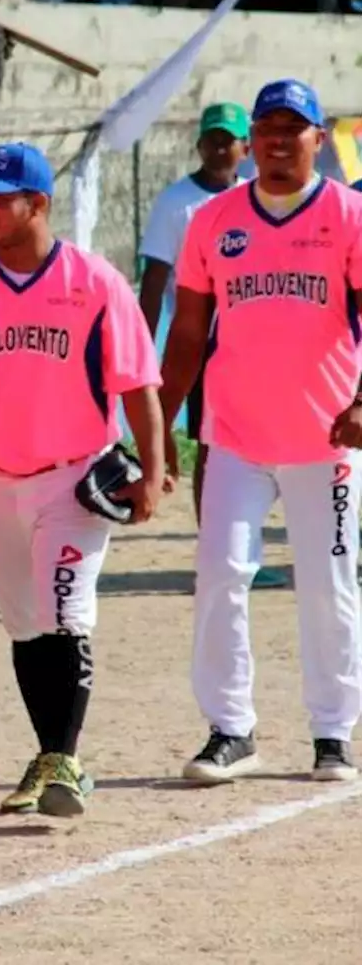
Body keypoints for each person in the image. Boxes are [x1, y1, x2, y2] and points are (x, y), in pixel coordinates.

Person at [159, 78, 363, 784]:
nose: (279, 139)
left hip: (325, 439)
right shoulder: (213, 221)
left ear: (318, 136)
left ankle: (333, 732)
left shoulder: (349, 214)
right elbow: (187, 333)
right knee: (219, 575)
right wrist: (158, 430)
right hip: (236, 438)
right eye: (267, 127)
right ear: (251, 141)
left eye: (293, 127)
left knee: (329, 584)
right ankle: (230, 727)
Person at [0, 143, 165, 815]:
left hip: (72, 477)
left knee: (65, 614)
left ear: (37, 204)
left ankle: (65, 760)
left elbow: (138, 382)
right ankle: (49, 755)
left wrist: (155, 469)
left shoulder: (95, 280)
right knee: (24, 626)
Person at [137, 104, 290, 590]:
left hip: (256, 346)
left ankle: (246, 549)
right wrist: (140, 353)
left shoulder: (259, 200)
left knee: (268, 444)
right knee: (214, 446)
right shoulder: (177, 203)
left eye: (229, 140)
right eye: (212, 139)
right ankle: (218, 553)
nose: (220, 149)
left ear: (246, 148)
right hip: (200, 344)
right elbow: (155, 280)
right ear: (200, 145)